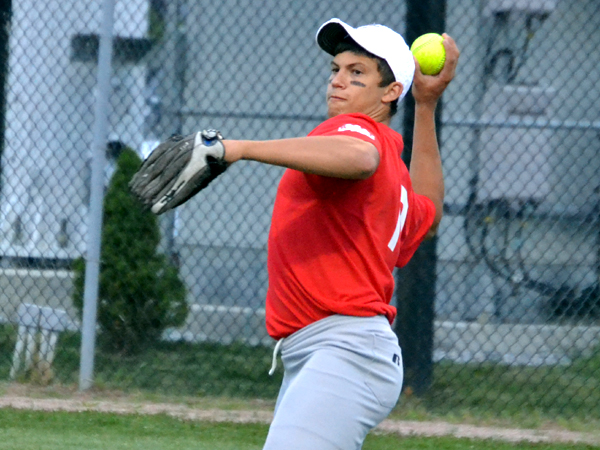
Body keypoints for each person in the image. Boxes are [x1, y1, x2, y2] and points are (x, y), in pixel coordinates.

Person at [222, 18, 459, 450]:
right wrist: (426, 107)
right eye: (336, 69)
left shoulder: (356, 134)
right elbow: (430, 213)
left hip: (344, 350)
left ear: (389, 93)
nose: (338, 81)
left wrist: (240, 149)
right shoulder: (394, 167)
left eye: (357, 74)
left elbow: (358, 156)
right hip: (341, 351)